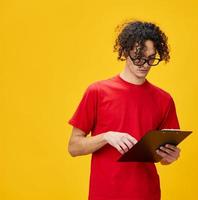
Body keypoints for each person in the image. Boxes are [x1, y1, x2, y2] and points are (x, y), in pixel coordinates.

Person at [67, 20, 181, 200]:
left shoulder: (164, 99)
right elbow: (73, 147)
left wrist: (170, 157)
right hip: (105, 194)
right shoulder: (97, 92)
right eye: (138, 57)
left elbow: (162, 158)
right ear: (125, 52)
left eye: (151, 58)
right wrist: (106, 136)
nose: (145, 64)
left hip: (147, 194)